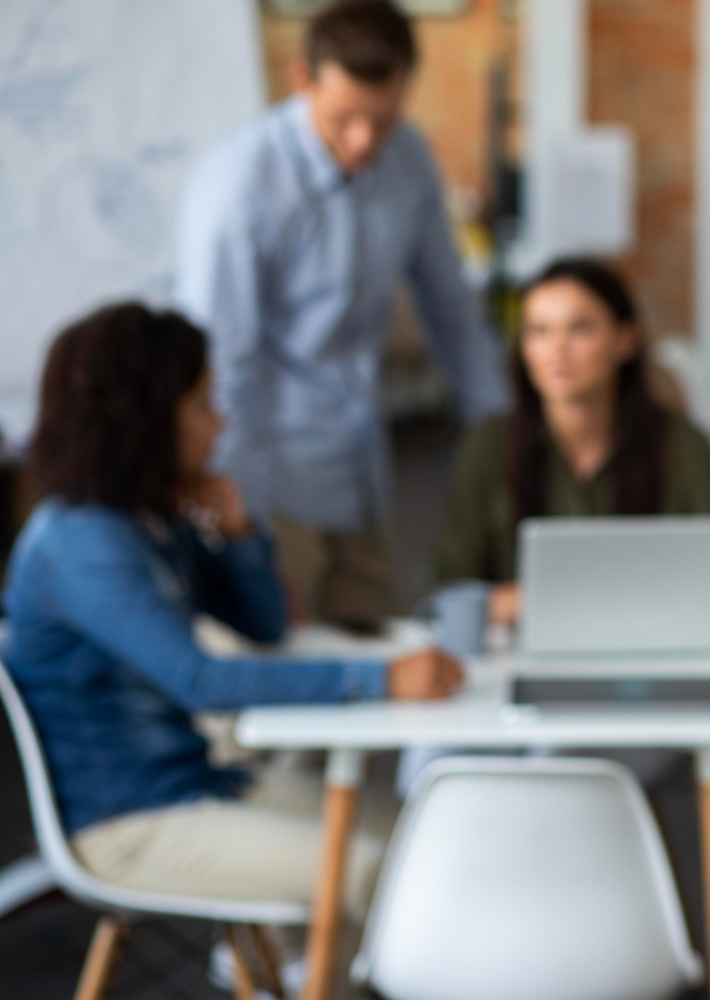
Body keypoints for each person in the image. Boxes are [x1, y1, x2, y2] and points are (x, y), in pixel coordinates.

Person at [1, 303, 461, 917]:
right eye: (203, 405)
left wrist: (240, 533)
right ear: (145, 417)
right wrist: (383, 678)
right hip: (131, 825)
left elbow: (265, 627)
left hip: (202, 785)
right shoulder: (85, 543)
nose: (221, 424)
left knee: (430, 835)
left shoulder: (143, 519)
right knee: (374, 870)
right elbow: (203, 682)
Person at [174, 0, 507, 630]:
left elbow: (453, 314)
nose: (363, 141)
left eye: (381, 120)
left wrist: (501, 437)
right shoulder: (238, 184)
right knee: (287, 689)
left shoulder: (407, 158)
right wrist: (236, 519)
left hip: (364, 472)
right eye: (344, 118)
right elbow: (221, 361)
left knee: (378, 672)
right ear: (303, 81)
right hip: (269, 480)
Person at [435, 258, 710, 625]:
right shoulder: (489, 444)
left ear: (625, 340)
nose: (557, 348)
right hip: (517, 655)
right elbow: (450, 591)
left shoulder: (685, 446)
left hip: (652, 656)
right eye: (539, 331)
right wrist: (527, 602)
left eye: (580, 328)